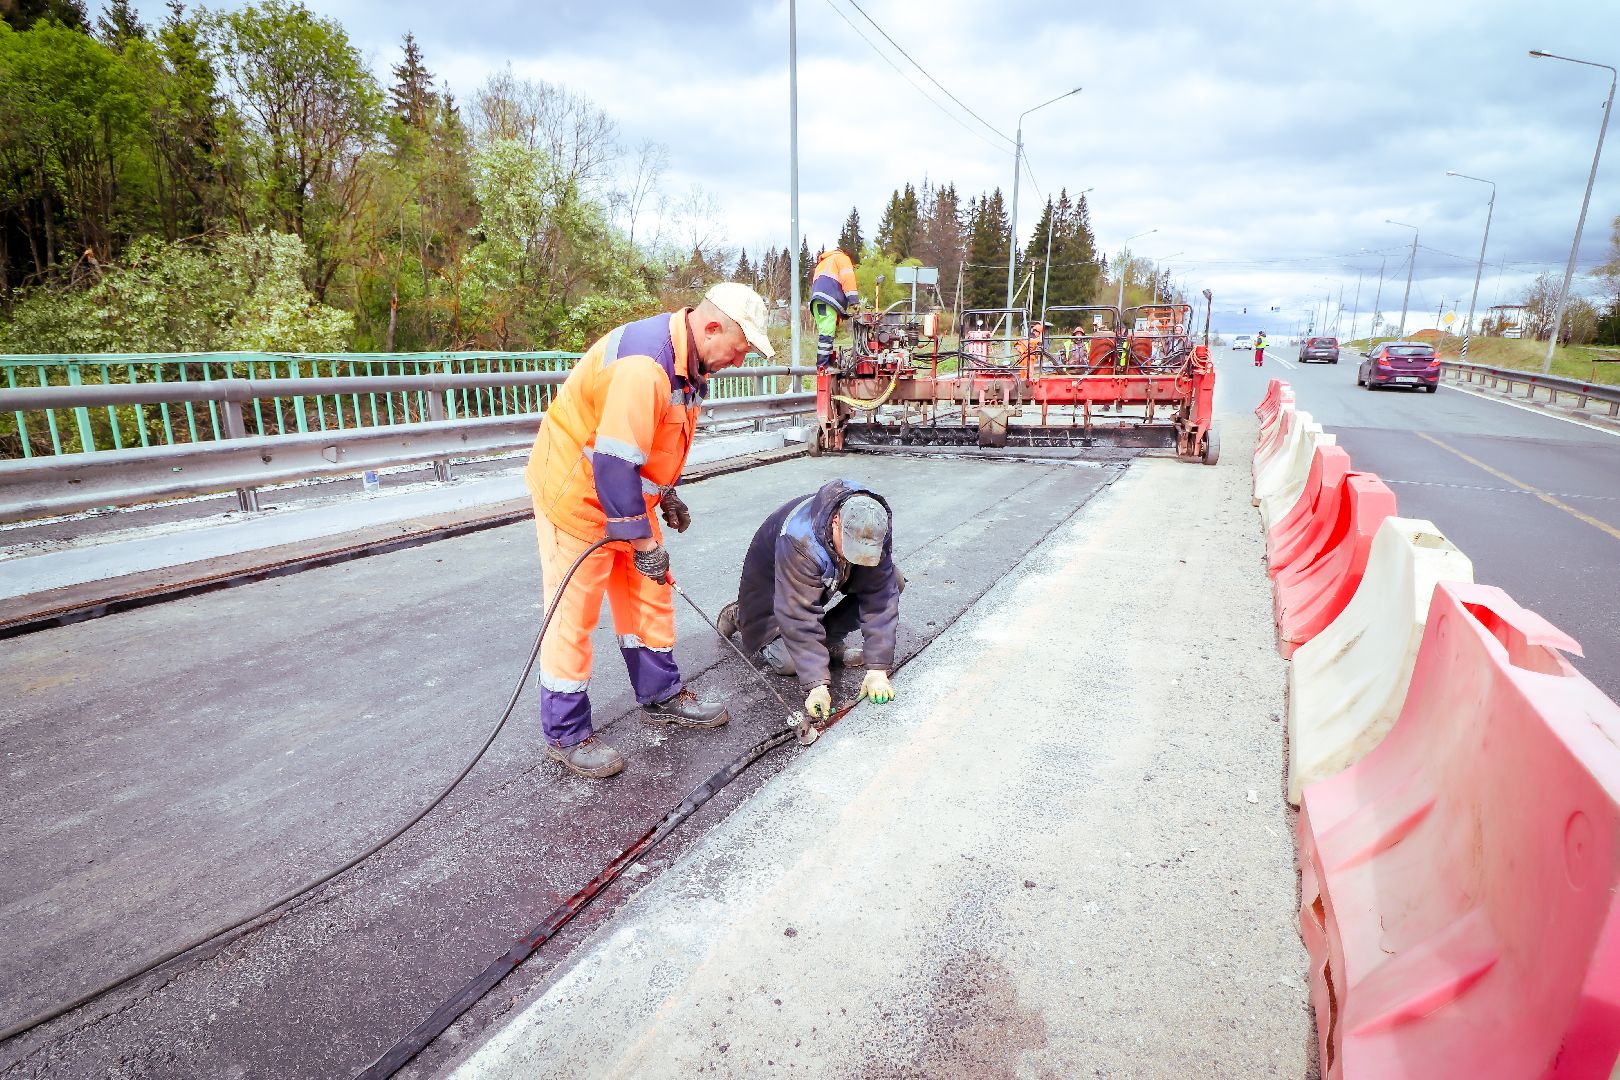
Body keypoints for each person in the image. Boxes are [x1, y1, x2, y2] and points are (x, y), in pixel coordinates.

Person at [525, 282, 775, 779]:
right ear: (711, 328)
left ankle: (660, 693)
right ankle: (566, 731)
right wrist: (643, 541)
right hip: (576, 494)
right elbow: (614, 460)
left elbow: (647, 443)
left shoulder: (689, 365)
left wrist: (664, 492)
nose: (740, 360)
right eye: (740, 348)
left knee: (649, 596)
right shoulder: (645, 366)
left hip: (626, 495)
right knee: (574, 614)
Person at [715, 479, 903, 721]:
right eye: (852, 548)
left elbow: (881, 596)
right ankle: (743, 615)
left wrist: (877, 669)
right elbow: (799, 613)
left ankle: (828, 639)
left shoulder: (873, 521)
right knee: (790, 664)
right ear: (836, 522)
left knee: (893, 582)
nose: (859, 558)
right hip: (773, 585)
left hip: (822, 570)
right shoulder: (799, 539)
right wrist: (817, 686)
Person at [809, 246, 860, 371]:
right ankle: (823, 366)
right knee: (827, 332)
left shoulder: (824, 262)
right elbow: (848, 279)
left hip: (817, 300)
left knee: (827, 331)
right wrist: (854, 301)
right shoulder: (843, 258)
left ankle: (829, 362)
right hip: (828, 299)